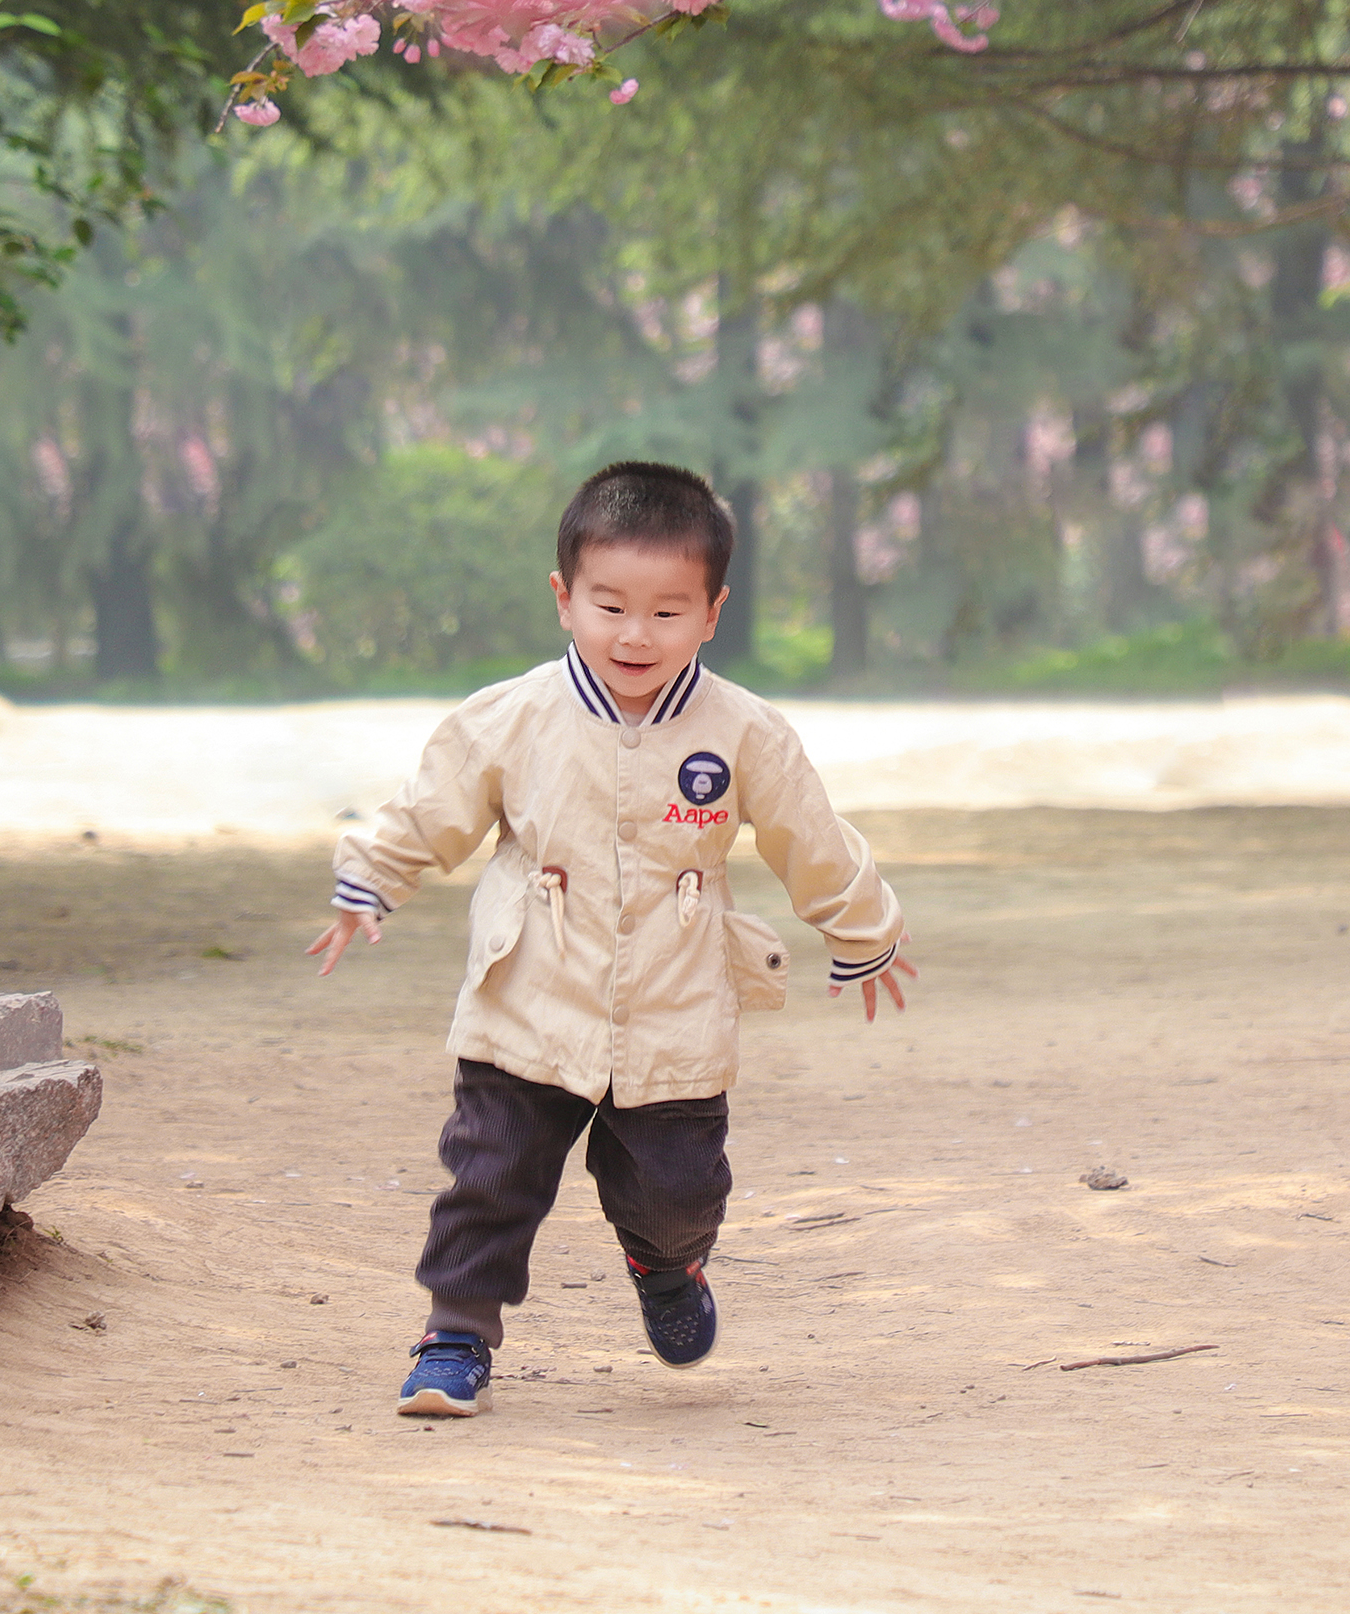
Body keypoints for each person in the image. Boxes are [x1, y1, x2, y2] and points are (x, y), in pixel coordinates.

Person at [307, 459, 915, 1419]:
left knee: (678, 1186)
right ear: (564, 599)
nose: (636, 634)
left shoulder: (744, 732)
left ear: (712, 612)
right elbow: (432, 810)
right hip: (529, 994)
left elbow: (812, 836)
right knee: (490, 1174)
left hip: (675, 1006)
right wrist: (373, 882)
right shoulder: (510, 717)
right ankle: (454, 1335)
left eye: (668, 611)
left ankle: (665, 1263)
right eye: (611, 605)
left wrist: (861, 929)